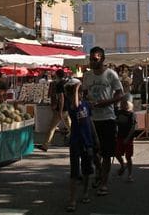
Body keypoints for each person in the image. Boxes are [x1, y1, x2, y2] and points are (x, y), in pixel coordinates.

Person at [81, 46, 123, 196]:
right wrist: (85, 102)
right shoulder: (87, 76)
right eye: (91, 59)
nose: (92, 61)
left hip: (107, 118)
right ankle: (99, 172)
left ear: (103, 59)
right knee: (91, 152)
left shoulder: (111, 74)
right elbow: (84, 95)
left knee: (106, 153)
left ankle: (104, 183)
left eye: (95, 59)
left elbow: (120, 95)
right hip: (91, 119)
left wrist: (105, 103)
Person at [65, 78, 98, 212]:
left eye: (80, 92)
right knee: (74, 172)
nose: (80, 94)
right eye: (77, 92)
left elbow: (90, 121)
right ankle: (72, 199)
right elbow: (75, 104)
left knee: (87, 169)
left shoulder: (86, 104)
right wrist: (77, 87)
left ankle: (85, 193)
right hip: (75, 141)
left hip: (87, 141)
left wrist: (95, 138)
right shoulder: (71, 105)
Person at [38, 69, 71, 151]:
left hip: (61, 109)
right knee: (71, 127)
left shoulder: (59, 84)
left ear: (57, 75)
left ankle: (45, 145)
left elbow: (61, 98)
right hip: (67, 109)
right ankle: (79, 141)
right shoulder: (67, 83)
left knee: (51, 128)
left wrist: (59, 110)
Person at [115, 98, 136, 182]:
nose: (123, 105)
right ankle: (123, 165)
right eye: (122, 103)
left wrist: (128, 138)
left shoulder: (131, 114)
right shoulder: (119, 112)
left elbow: (133, 127)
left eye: (125, 103)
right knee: (117, 153)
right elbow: (116, 122)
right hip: (119, 136)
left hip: (128, 138)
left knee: (128, 156)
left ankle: (130, 175)